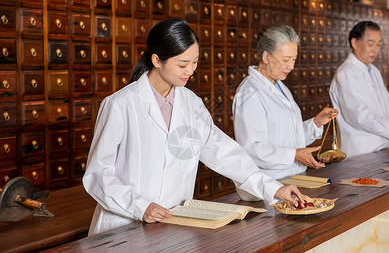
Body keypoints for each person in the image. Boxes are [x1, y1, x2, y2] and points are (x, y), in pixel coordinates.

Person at [83, 18, 304, 236]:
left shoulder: (191, 104)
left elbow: (224, 153)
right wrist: (140, 206)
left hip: (171, 225)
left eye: (195, 62)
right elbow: (98, 174)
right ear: (157, 60)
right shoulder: (120, 105)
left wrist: (273, 188)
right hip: (122, 227)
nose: (191, 70)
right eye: (182, 64)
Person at [232, 25, 337, 189]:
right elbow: (253, 148)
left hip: (292, 179)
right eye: (286, 59)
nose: (291, 66)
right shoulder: (250, 94)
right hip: (270, 183)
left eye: (294, 59)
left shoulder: (279, 86)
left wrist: (316, 122)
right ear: (266, 56)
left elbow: (287, 135)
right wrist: (295, 155)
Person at [329, 20, 389, 157]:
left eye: (379, 44)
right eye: (371, 44)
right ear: (354, 43)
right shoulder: (346, 74)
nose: (375, 49)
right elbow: (359, 116)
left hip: (381, 151)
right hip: (359, 155)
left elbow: (385, 109)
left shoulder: (373, 71)